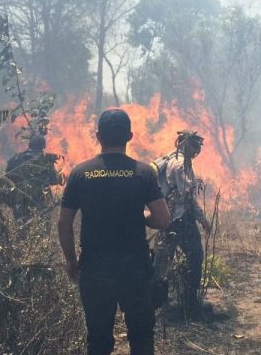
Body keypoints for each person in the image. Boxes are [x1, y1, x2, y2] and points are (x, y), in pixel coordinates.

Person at [58, 108, 170, 355]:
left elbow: (64, 223)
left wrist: (70, 260)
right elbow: (162, 219)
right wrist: (142, 217)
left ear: (98, 136)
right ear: (130, 136)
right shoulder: (143, 173)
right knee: (141, 338)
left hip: (95, 269)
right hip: (135, 269)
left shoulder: (80, 173)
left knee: (98, 342)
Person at [152, 130, 211, 318]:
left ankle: (158, 302)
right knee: (194, 257)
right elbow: (188, 199)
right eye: (194, 146)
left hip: (168, 219)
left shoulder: (175, 160)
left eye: (199, 147)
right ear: (184, 144)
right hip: (181, 220)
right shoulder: (179, 165)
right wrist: (203, 219)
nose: (197, 151)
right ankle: (189, 303)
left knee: (162, 260)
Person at [5, 135, 61, 221]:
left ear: (29, 145)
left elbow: (7, 177)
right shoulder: (45, 159)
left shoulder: (16, 157)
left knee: (20, 226)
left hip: (19, 200)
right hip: (40, 202)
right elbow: (54, 181)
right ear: (43, 146)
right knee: (41, 228)